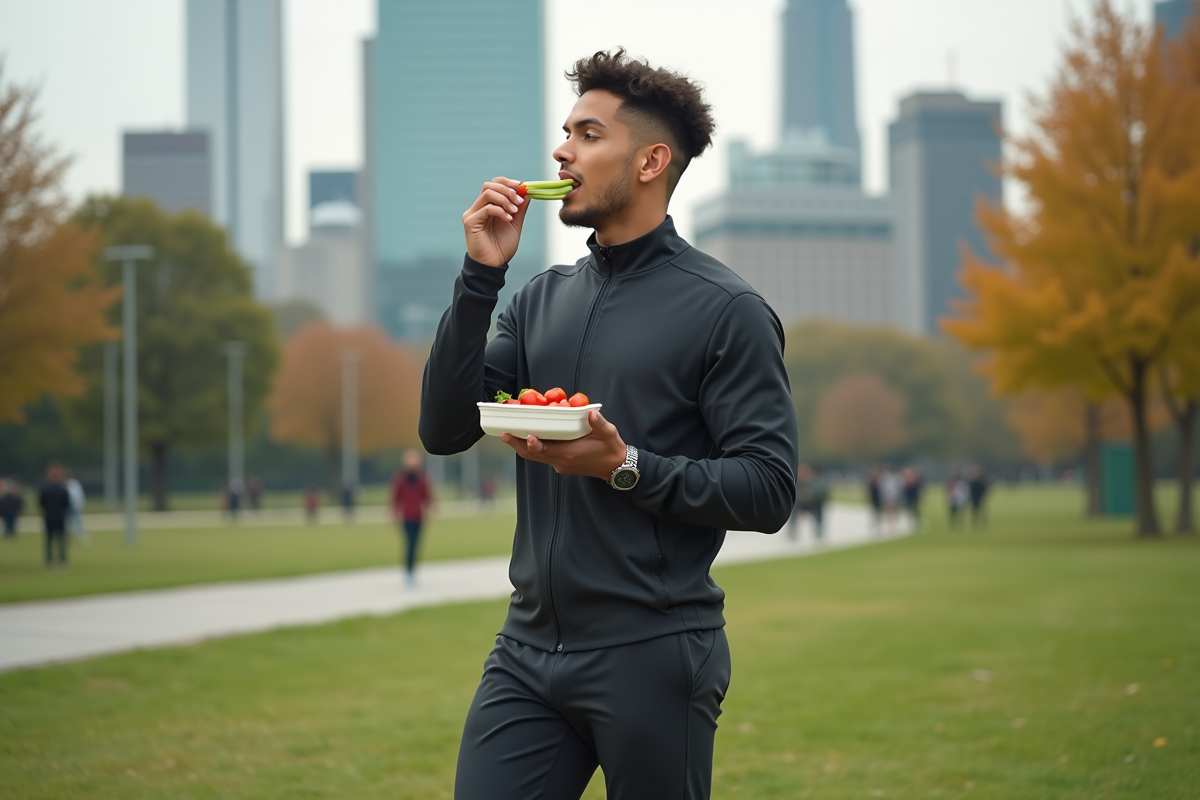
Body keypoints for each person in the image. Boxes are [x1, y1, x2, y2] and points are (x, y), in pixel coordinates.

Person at [419, 50, 798, 799]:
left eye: (588, 135)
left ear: (652, 160)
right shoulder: (536, 299)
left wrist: (625, 466)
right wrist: (480, 277)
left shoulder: (728, 310)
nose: (562, 151)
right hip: (525, 653)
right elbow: (444, 429)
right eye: (565, 133)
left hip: (655, 654)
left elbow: (768, 488)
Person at [391, 449, 436, 586]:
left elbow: (427, 495)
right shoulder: (401, 479)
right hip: (407, 517)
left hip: (419, 517)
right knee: (409, 544)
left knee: (416, 544)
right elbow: (396, 498)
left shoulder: (421, 478)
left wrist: (431, 507)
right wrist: (394, 513)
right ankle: (409, 571)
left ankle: (412, 570)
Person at [38, 464, 72, 568]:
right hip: (60, 517)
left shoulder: (45, 489)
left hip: (48, 517)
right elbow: (67, 504)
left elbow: (41, 503)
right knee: (61, 540)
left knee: (49, 540)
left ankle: (49, 561)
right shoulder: (63, 490)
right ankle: (62, 561)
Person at [791, 464, 830, 541]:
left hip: (813, 504)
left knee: (819, 512)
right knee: (793, 512)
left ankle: (819, 529)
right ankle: (792, 530)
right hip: (801, 504)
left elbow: (821, 493)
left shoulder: (816, 481)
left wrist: (811, 495)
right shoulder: (797, 481)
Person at [65, 471, 88, 545]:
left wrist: (79, 504)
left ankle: (81, 537)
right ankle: (69, 538)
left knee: (76, 523)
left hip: (72, 506)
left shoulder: (73, 484)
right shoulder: (65, 484)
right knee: (69, 524)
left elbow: (78, 495)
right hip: (68, 506)